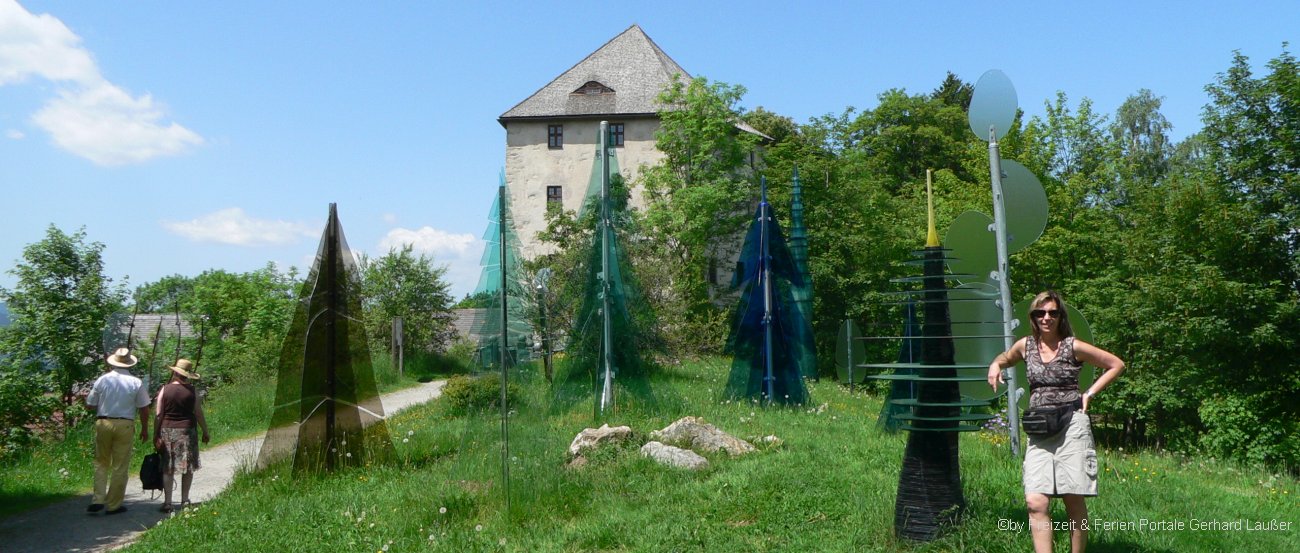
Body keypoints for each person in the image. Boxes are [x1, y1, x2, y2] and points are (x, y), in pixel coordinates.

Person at [986, 291, 1126, 553]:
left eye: (1052, 312)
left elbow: (1116, 364)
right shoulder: (1025, 346)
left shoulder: (1072, 346)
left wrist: (1090, 393)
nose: (1046, 318)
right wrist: (995, 365)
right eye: (1040, 313)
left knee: (1073, 500)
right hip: (1039, 429)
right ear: (1033, 317)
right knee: (1035, 502)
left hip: (1071, 425)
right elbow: (1005, 358)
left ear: (1061, 316)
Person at [84, 347, 152, 515]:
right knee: (120, 466)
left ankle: (98, 498)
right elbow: (144, 408)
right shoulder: (136, 382)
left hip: (104, 421)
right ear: (129, 363)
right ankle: (114, 504)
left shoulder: (102, 380)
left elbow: (90, 404)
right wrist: (144, 428)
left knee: (101, 462)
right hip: (125, 424)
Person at [152, 359, 210, 513]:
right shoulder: (192, 391)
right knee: (188, 467)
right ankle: (184, 500)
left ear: (175, 372)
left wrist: (155, 434)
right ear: (188, 375)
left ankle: (168, 502)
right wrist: (205, 431)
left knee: (168, 467)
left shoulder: (165, 389)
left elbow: (158, 414)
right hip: (187, 431)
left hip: (167, 431)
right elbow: (198, 413)